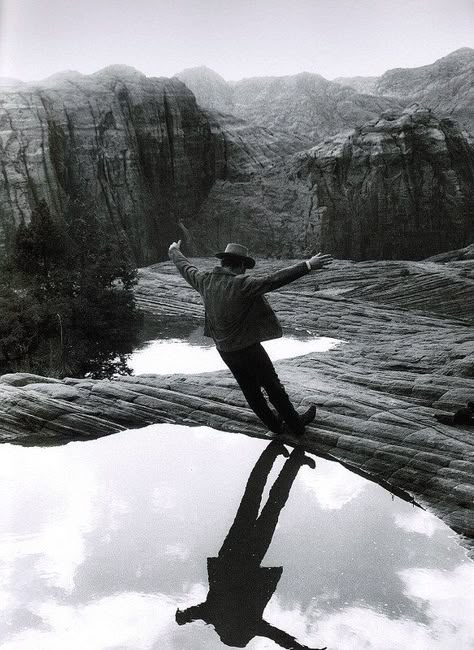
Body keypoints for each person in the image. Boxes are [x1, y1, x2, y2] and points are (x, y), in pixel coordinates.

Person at [168, 240, 332, 436]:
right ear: (241, 265)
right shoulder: (242, 284)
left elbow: (185, 267)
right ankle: (296, 426)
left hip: (224, 349)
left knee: (250, 391)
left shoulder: (204, 280)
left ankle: (274, 426)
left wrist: (174, 251)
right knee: (272, 386)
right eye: (245, 268)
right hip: (248, 349)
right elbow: (274, 280)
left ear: (223, 263)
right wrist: (307, 266)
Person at [175, 440, 327, 650]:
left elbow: (279, 637)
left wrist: (303, 649)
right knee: (257, 500)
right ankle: (287, 458)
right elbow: (280, 638)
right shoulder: (218, 616)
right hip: (242, 555)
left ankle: (283, 455)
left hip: (239, 552)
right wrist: (183, 618)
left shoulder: (243, 622)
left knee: (266, 503)